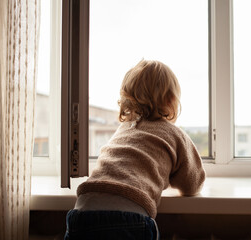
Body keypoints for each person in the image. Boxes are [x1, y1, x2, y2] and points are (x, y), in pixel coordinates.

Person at [64, 60, 206, 240]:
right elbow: (191, 184)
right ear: (171, 100)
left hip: (82, 211)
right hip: (127, 216)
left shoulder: (123, 130)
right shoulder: (174, 134)